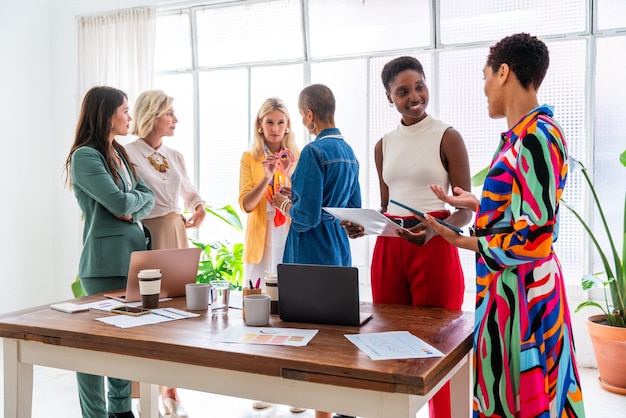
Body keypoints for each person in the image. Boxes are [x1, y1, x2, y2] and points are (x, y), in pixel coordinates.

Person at [419, 33, 585, 417]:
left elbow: (537, 237)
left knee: (521, 399)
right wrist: (476, 203)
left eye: (485, 77)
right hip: (508, 290)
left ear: (505, 72)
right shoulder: (520, 136)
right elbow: (523, 209)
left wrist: (460, 241)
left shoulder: (536, 137)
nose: (484, 88)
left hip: (523, 295)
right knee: (509, 396)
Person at [342, 56, 472, 418]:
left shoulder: (448, 136)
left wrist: (436, 228)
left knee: (438, 343)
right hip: (391, 246)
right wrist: (363, 225)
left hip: (435, 242)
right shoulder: (383, 145)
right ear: (389, 97)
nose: (414, 97)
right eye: (403, 91)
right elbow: (387, 206)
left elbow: (466, 209)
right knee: (388, 343)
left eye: (419, 87)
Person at [64, 86, 155, 418]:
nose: (129, 116)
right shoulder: (85, 156)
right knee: (91, 348)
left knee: (121, 342)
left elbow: (147, 196)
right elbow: (117, 202)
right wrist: (128, 204)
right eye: (125, 110)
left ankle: (120, 409)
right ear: (106, 114)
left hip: (133, 259)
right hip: (103, 264)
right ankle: (95, 414)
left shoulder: (119, 151)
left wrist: (131, 207)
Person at [272, 84, 361, 418]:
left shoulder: (312, 152)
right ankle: (341, 406)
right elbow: (353, 211)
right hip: (338, 249)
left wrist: (284, 200)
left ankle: (322, 413)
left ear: (308, 115)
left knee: (311, 341)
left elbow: (306, 217)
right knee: (335, 339)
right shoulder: (349, 151)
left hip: (310, 253)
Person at [125, 89, 206, 418]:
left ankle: (171, 390)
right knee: (145, 314)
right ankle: (141, 390)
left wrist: (198, 206)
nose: (176, 119)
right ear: (152, 115)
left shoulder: (175, 155)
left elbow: (188, 191)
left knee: (176, 315)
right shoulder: (127, 152)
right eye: (169, 113)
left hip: (175, 233)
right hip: (145, 235)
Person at [238, 97, 302, 413]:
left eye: (280, 122)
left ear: (288, 124)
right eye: (269, 122)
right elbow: (247, 204)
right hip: (260, 243)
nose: (275, 129)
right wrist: (266, 175)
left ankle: (293, 390)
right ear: (260, 126)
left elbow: (299, 201)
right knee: (259, 315)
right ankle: (262, 385)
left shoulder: (299, 156)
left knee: (290, 313)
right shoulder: (250, 157)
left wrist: (287, 174)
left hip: (288, 238)